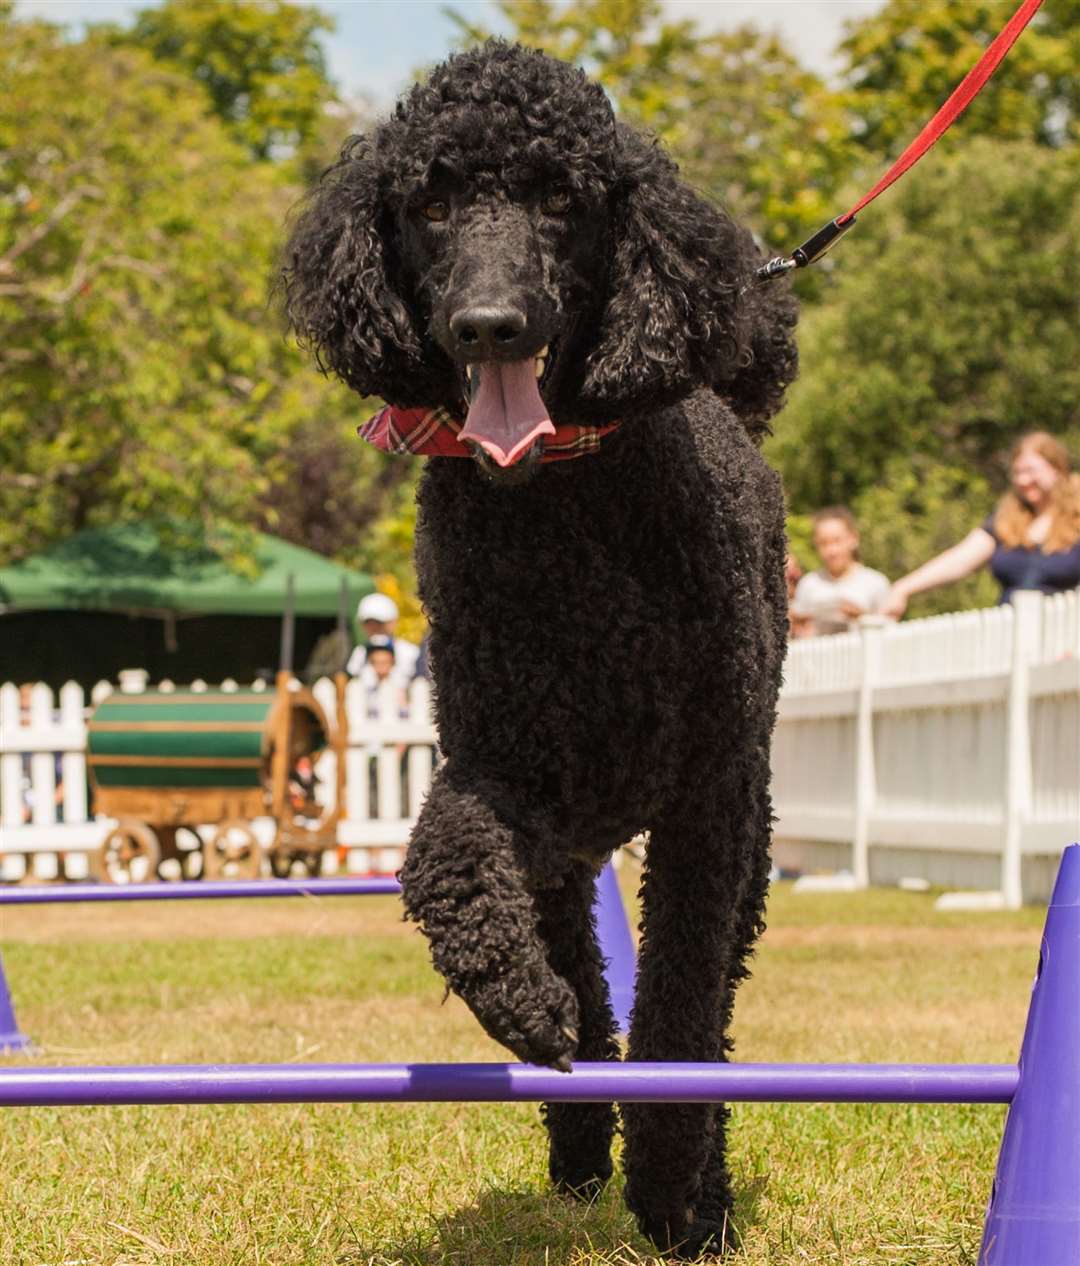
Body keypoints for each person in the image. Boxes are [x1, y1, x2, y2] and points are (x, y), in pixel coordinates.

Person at [883, 432, 1080, 618]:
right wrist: (903, 588)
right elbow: (959, 560)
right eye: (1017, 472)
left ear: (1057, 469)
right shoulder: (1006, 519)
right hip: (1009, 631)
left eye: (1030, 471)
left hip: (1064, 634)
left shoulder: (1076, 518)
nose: (1023, 480)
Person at [790, 507, 890, 636]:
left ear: (854, 539)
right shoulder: (808, 583)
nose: (831, 550)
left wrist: (862, 618)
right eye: (823, 543)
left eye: (837, 541)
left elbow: (890, 632)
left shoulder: (876, 582)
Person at [345, 592, 421, 685]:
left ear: (392, 622)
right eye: (368, 622)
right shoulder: (359, 652)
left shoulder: (410, 652)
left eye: (379, 622)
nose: (373, 627)